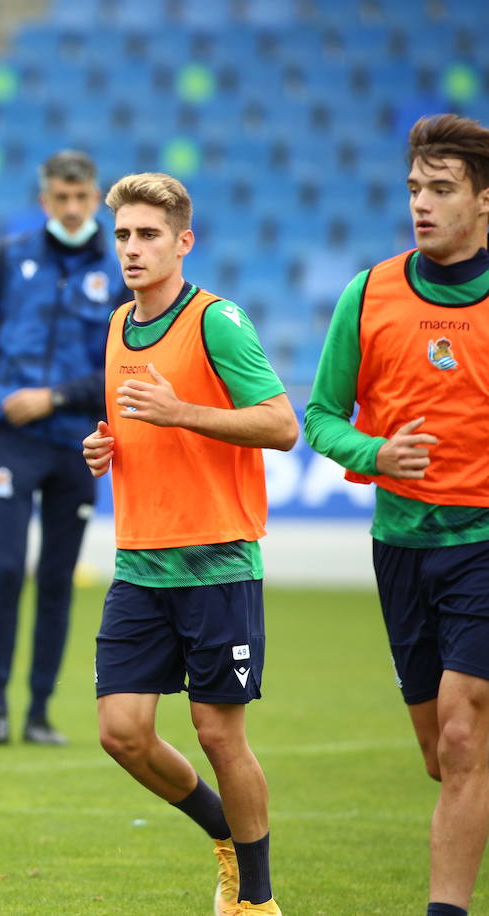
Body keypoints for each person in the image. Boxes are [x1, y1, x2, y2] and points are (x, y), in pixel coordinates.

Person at [81, 173, 297, 916]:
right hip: (140, 562)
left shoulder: (217, 321)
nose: (133, 249)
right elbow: (135, 427)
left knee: (216, 733)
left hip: (216, 562)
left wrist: (181, 412)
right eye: (123, 236)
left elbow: (281, 424)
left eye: (147, 235)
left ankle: (256, 901)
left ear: (183, 241)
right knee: (122, 733)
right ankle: (224, 835)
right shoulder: (115, 327)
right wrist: (104, 448)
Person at [304, 114, 489, 916]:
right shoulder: (369, 291)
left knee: (461, 733)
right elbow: (318, 416)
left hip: (483, 539)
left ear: (485, 201)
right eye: (415, 188)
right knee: (439, 756)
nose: (421, 203)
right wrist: (374, 453)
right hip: (400, 545)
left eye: (442, 190)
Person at [0, 149, 126, 746]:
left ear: (95, 197)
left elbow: (128, 364)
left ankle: (40, 710)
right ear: (44, 199)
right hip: (14, 442)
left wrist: (55, 397)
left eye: (81, 197)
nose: (72, 208)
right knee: (9, 570)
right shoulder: (12, 255)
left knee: (55, 577)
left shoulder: (119, 266)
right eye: (60, 197)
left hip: (79, 444)